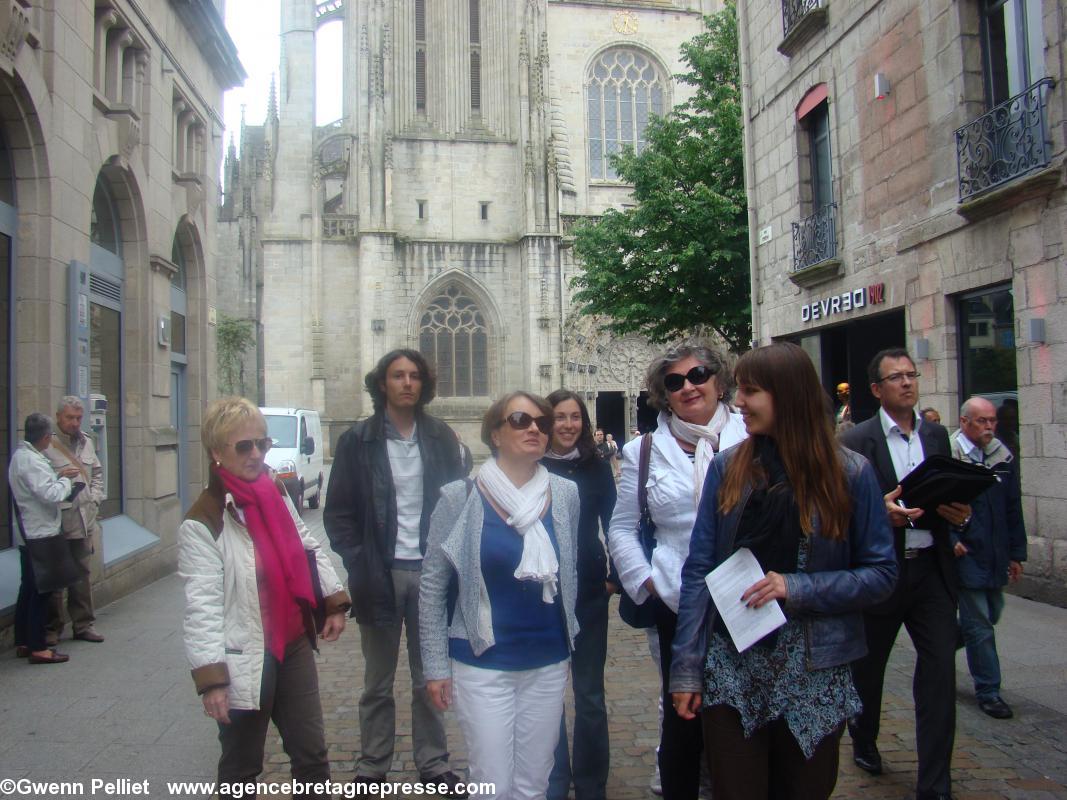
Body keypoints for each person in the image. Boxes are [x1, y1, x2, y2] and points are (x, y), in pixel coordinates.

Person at [670, 342, 897, 800]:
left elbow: (881, 574)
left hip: (814, 670)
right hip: (733, 668)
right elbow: (699, 572)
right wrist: (687, 671)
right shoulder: (728, 467)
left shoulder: (850, 474)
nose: (739, 403)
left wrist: (796, 587)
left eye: (751, 391)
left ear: (787, 395)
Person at [178, 397, 350, 796]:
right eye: (244, 446)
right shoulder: (204, 521)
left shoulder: (273, 488)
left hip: (292, 643)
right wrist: (212, 681)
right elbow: (201, 608)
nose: (256, 454)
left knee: (312, 755)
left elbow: (304, 545)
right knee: (241, 765)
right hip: (245, 654)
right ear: (217, 452)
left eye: (262, 443)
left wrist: (332, 601)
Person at [420, 391, 580, 800]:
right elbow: (434, 586)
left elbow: (570, 572)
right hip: (483, 660)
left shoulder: (564, 494)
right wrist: (436, 665)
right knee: (491, 783)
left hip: (547, 659)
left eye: (542, 424)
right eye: (521, 420)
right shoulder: (461, 497)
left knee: (534, 784)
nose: (535, 429)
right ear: (495, 433)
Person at [609, 342, 746, 800]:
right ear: (663, 395)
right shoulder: (643, 451)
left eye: (698, 375)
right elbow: (623, 527)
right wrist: (647, 582)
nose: (688, 386)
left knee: (742, 715)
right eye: (674, 382)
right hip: (679, 601)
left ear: (719, 381)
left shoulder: (756, 436)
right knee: (683, 717)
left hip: (748, 598)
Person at [324, 349, 466, 792]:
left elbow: (458, 504)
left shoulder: (442, 438)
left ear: (424, 385)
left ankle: (433, 762)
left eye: (414, 376)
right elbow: (338, 514)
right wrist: (359, 560)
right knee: (377, 683)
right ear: (381, 383)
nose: (407, 382)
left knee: (430, 677)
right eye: (397, 375)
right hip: (379, 574)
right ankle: (372, 766)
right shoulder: (357, 441)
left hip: (430, 575)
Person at [839, 348, 972, 800]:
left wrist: (961, 513)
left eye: (911, 375)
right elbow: (840, 514)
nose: (907, 383)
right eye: (896, 377)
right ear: (877, 389)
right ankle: (864, 737)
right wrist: (880, 513)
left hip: (933, 570)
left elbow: (950, 493)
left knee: (938, 676)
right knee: (868, 669)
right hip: (883, 572)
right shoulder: (856, 441)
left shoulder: (937, 435)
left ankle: (935, 783)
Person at [543, 389, 618, 800]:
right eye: (560, 417)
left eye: (575, 417)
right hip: (544, 595)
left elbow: (617, 523)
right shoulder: (530, 465)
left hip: (589, 592)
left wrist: (614, 579)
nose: (569, 425)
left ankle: (591, 785)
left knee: (589, 695)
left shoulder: (596, 467)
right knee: (549, 694)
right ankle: (553, 781)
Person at [951, 396, 1027, 719]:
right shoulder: (951, 456)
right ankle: (989, 690)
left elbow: (1013, 507)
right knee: (981, 624)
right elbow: (937, 504)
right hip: (967, 552)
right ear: (965, 422)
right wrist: (951, 538)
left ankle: (940, 645)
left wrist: (1016, 553)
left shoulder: (1002, 457)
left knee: (991, 612)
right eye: (982, 421)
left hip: (995, 552)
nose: (990, 427)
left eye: (992, 421)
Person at [10, 413, 83, 664]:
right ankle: (38, 647)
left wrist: (57, 473)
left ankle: (23, 640)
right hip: (39, 533)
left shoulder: (22, 457)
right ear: (45, 437)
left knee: (28, 588)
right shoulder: (30, 460)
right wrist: (65, 480)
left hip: (28, 532)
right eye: (50, 435)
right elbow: (50, 494)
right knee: (42, 591)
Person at [42, 396, 105, 645]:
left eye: (78, 418)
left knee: (82, 574)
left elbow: (97, 472)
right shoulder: (47, 445)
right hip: (58, 519)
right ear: (59, 417)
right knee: (56, 577)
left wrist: (96, 498)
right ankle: (52, 628)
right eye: (70, 418)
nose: (75, 423)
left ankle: (83, 624)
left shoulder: (86, 442)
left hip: (83, 519)